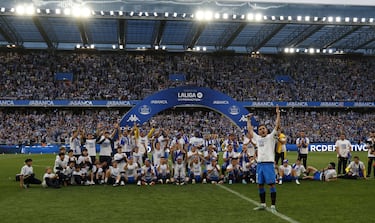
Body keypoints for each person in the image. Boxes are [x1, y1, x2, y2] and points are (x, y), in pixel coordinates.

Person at [247, 105, 280, 213]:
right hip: (260, 164)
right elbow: (250, 130)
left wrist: (278, 114)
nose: (261, 130)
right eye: (260, 129)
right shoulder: (257, 138)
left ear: (266, 130)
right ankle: (263, 204)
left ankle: (273, 206)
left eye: (263, 129)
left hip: (269, 164)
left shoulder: (271, 137)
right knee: (260, 184)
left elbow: (277, 125)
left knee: (271, 184)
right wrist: (248, 120)